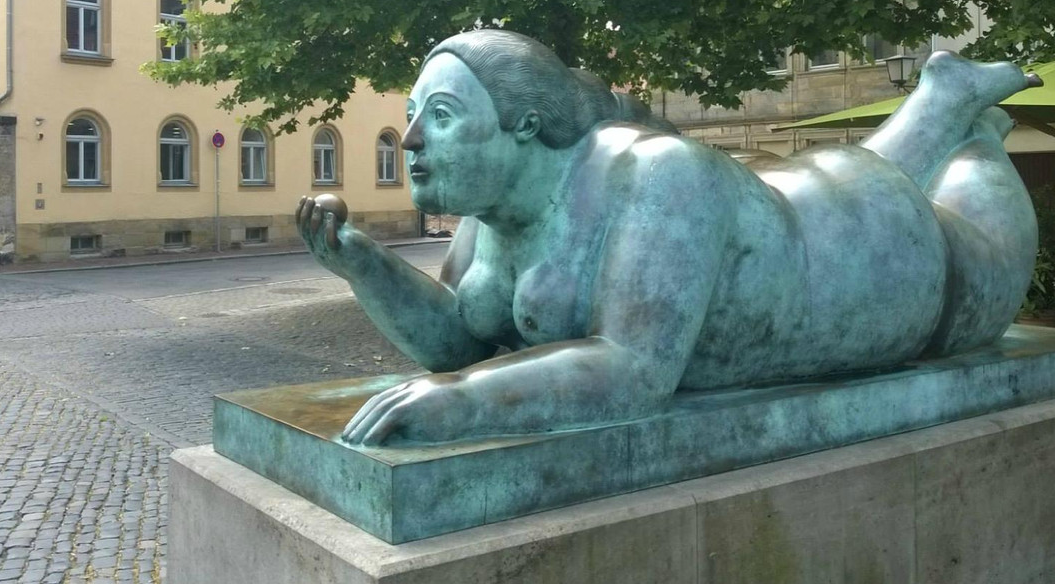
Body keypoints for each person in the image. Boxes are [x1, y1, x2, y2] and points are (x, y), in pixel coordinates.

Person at [297, 30, 1039, 446]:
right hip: (803, 208)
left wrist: (459, 404)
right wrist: (362, 264)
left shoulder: (658, 177)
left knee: (981, 219)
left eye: (445, 115)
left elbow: (634, 371)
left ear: (523, 126)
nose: (414, 137)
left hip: (893, 262)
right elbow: (460, 340)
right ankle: (942, 97)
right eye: (413, 112)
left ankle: (966, 124)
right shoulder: (492, 219)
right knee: (812, 181)